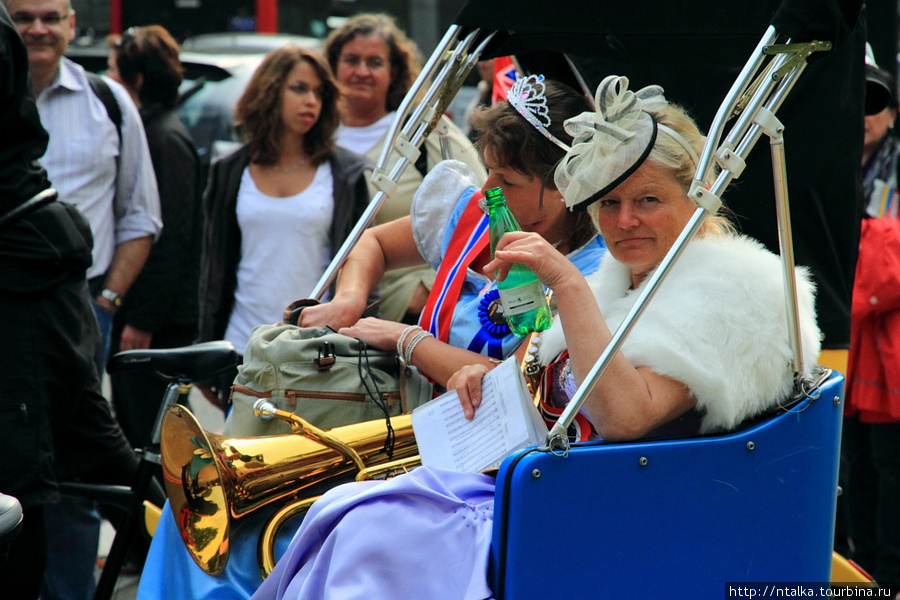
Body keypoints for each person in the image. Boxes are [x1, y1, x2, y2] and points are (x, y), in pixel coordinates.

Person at [250, 74, 823, 600]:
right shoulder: (619, 280)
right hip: (549, 492)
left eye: (649, 201)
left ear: (696, 203)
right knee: (344, 511)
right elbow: (540, 390)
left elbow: (625, 417)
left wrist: (567, 286)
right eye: (610, 203)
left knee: (376, 534)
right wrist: (484, 377)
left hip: (626, 514)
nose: (624, 222)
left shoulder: (729, 294)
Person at [136, 74, 605, 600]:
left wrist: (407, 340)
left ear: (567, 183)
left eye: (509, 180)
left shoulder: (592, 273)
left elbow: (524, 388)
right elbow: (373, 243)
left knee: (310, 535)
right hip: (399, 425)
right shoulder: (477, 211)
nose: (489, 189)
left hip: (483, 467)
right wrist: (349, 300)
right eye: (489, 171)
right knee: (195, 530)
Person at [6, 1, 161, 598]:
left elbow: (141, 215)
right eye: (24, 16)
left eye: (51, 15)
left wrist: (107, 303)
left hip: (81, 314)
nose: (38, 28)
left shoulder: (109, 100)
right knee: (23, 475)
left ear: (73, 24)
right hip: (12, 319)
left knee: (77, 480)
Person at [194, 44, 371, 406]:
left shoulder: (345, 174)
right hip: (244, 347)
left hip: (319, 351)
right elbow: (212, 268)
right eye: (299, 88)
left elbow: (363, 265)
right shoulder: (229, 170)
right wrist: (206, 352)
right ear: (270, 90)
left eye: (319, 92)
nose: (311, 101)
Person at [323, 13, 487, 324]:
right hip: (324, 309)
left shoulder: (424, 133)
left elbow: (482, 208)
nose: (361, 71)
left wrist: (427, 291)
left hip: (401, 321)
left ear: (394, 70)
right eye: (351, 59)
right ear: (332, 66)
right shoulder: (312, 136)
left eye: (374, 62)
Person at [104, 25, 203, 451]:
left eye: (113, 71)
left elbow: (172, 237)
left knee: (155, 443)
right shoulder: (151, 130)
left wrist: (142, 319)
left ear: (137, 79)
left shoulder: (163, 137)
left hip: (159, 325)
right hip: (150, 317)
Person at [841, 49, 900, 597]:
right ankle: (858, 572)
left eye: (875, 102)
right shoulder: (833, 162)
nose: (864, 114)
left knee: (889, 466)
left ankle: (887, 575)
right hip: (852, 339)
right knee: (854, 461)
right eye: (854, 100)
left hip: (889, 342)